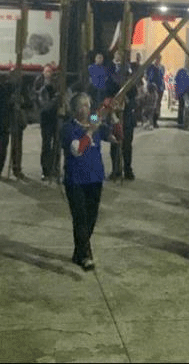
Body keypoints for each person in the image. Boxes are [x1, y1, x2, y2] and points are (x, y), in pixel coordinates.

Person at [62, 93, 114, 270]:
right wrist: (91, 131)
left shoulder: (92, 119)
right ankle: (85, 255)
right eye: (83, 105)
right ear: (76, 109)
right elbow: (77, 150)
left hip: (95, 178)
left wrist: (112, 114)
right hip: (75, 180)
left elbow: (114, 134)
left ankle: (79, 252)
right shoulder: (69, 127)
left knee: (91, 218)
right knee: (81, 218)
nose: (87, 108)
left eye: (88, 104)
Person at [0, 75, 26, 180]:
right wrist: (10, 102)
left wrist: (21, 102)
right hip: (2, 121)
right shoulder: (0, 88)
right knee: (1, 147)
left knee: (17, 146)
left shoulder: (20, 89)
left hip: (16, 121)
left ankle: (16, 168)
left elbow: (28, 103)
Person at [34, 64, 61, 181]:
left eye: (50, 71)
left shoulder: (57, 83)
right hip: (45, 117)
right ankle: (46, 170)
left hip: (56, 117)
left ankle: (55, 168)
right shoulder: (39, 82)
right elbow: (37, 98)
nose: (48, 74)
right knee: (46, 143)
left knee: (57, 143)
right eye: (46, 71)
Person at [145, 55, 165, 128]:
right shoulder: (150, 67)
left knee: (158, 104)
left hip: (160, 88)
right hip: (152, 88)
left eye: (159, 59)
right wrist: (150, 85)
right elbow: (148, 77)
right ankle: (151, 121)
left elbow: (162, 76)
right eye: (156, 59)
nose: (157, 61)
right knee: (152, 105)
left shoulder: (162, 67)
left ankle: (155, 120)